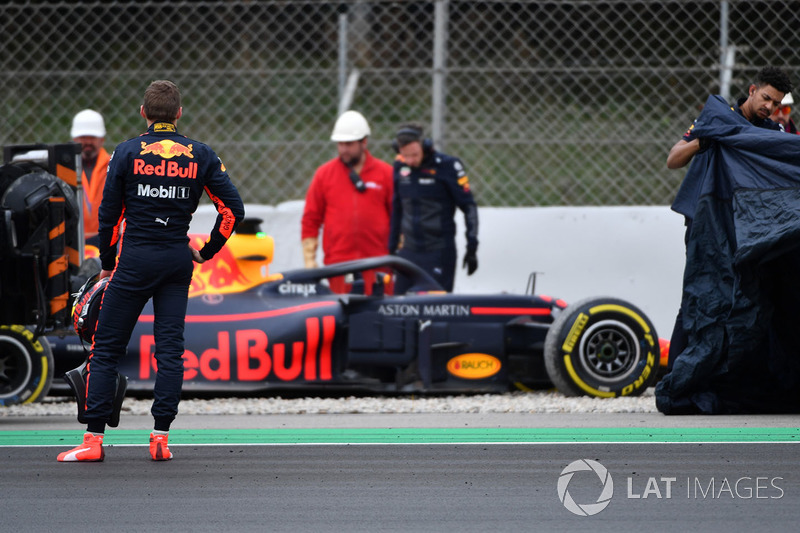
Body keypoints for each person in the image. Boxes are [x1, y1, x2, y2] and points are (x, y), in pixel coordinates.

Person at [57, 80, 245, 462]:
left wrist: (108, 264)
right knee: (170, 351)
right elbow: (232, 210)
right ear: (178, 114)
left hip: (135, 260)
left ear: (144, 113)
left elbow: (109, 217)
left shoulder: (125, 153)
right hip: (177, 261)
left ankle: (93, 442)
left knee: (107, 348)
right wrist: (205, 252)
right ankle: (160, 438)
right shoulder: (203, 155)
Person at [665, 66, 792, 368]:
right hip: (707, 220)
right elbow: (673, 159)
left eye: (776, 104)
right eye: (766, 99)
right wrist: (705, 141)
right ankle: (678, 374)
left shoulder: (773, 132)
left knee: (752, 298)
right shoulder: (719, 118)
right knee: (700, 293)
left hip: (752, 227)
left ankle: (732, 376)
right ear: (752, 90)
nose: (770, 108)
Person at [301, 110, 394, 294]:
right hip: (339, 265)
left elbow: (399, 217)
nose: (344, 149)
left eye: (349, 144)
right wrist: (310, 260)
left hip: (379, 263)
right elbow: (311, 219)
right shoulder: (324, 175)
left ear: (364, 142)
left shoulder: (386, 173)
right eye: (340, 144)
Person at [389, 123, 478, 293]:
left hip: (439, 252)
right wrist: (391, 249)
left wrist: (472, 246)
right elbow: (397, 207)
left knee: (436, 311)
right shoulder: (400, 166)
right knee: (398, 309)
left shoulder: (448, 166)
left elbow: (469, 207)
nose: (410, 160)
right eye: (405, 155)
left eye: (414, 154)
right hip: (408, 253)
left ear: (425, 145)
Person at [71, 109, 110, 245]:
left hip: (108, 242)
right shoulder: (65, 170)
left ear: (102, 139)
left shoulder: (114, 167)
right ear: (74, 139)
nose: (87, 142)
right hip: (74, 242)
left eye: (92, 137)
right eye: (83, 137)